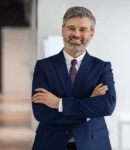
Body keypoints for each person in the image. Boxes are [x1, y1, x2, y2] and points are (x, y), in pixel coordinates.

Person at [31, 6, 116, 150]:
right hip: (50, 143)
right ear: (63, 30)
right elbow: (41, 112)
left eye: (83, 29)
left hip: (93, 144)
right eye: (71, 28)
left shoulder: (102, 67)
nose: (76, 34)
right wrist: (88, 109)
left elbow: (107, 106)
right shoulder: (43, 66)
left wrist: (59, 103)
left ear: (91, 33)